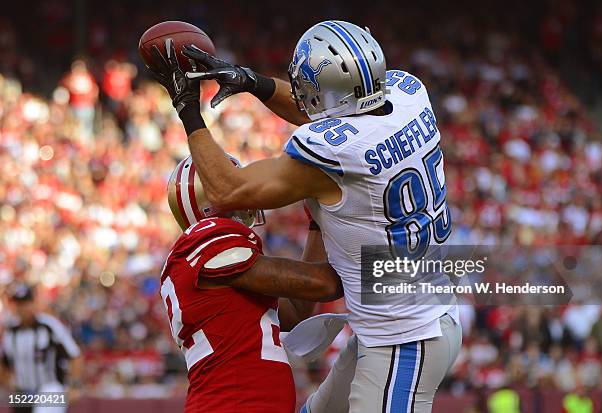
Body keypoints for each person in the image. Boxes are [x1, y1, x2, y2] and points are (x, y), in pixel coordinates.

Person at [148, 19, 462, 412]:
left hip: (403, 338)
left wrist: (187, 108)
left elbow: (228, 189)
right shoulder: (408, 93)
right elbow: (330, 115)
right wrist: (252, 82)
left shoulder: (333, 154)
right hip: (413, 318)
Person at [161, 155, 343, 413]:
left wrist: (318, 221)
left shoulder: (216, 270)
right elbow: (323, 285)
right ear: (209, 204)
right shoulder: (205, 243)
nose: (246, 192)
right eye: (232, 185)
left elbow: (296, 310)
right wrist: (384, 269)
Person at [1, 284, 83, 413]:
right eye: (19, 304)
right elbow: (4, 363)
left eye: (26, 303)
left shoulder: (49, 326)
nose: (23, 308)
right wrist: (7, 385)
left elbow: (75, 355)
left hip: (50, 389)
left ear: (34, 303)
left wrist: (74, 386)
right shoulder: (11, 332)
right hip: (23, 393)